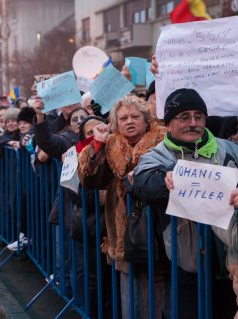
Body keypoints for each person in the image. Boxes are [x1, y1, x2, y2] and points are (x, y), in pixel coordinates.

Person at [133, 88, 238, 319]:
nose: (193, 123)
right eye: (184, 117)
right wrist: (167, 179)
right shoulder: (156, 155)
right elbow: (143, 184)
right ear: (169, 123)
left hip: (231, 267)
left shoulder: (230, 150)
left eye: (198, 116)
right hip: (189, 267)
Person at [78, 94, 167, 318]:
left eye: (135, 116)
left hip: (157, 232)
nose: (129, 121)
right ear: (116, 123)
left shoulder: (165, 141)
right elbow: (89, 180)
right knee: (130, 300)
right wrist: (96, 145)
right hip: (123, 235)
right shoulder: (110, 146)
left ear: (147, 120)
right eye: (123, 117)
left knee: (158, 296)